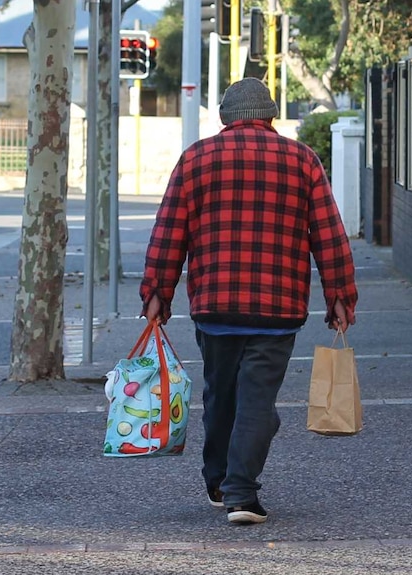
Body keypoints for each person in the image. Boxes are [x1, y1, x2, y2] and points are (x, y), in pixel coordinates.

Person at [140, 77, 358, 525]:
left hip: (215, 306)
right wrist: (339, 295)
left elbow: (168, 232)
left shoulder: (195, 159)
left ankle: (219, 480)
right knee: (258, 402)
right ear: (271, 116)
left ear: (224, 117)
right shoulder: (302, 160)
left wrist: (158, 293)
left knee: (220, 396)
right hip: (277, 310)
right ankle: (242, 494)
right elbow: (330, 235)